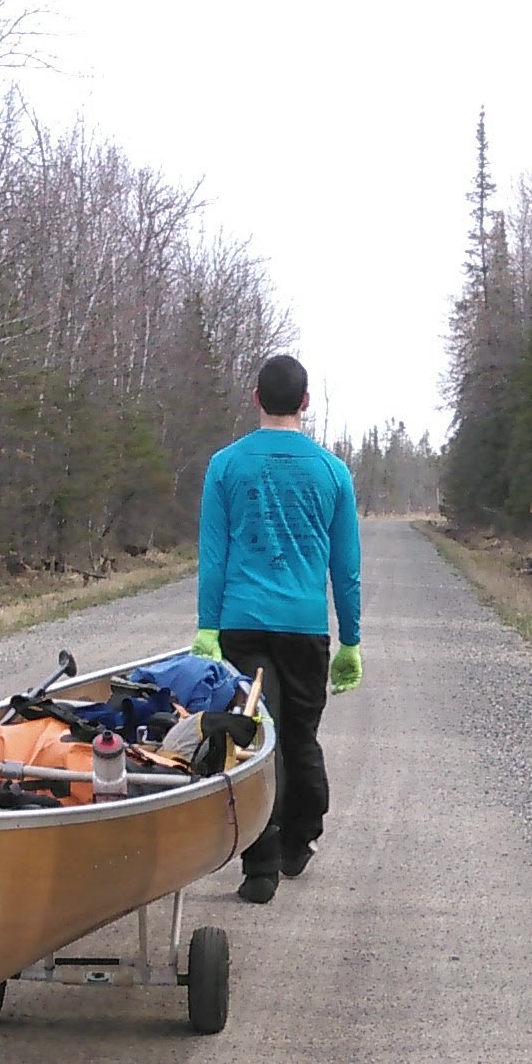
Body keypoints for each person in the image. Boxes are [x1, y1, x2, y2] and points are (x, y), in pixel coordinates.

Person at [192, 352, 363, 903]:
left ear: (256, 399)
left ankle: (260, 864)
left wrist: (207, 627)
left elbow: (213, 557)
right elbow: (346, 568)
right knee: (301, 736)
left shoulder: (225, 466)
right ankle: (299, 841)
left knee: (255, 740)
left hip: (242, 626)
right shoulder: (332, 472)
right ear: (305, 402)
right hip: (306, 630)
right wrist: (351, 639)